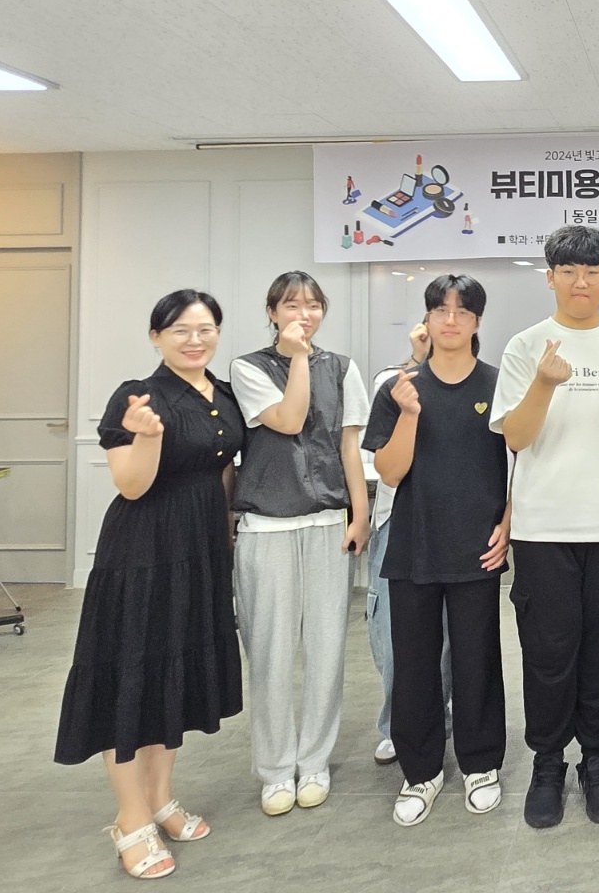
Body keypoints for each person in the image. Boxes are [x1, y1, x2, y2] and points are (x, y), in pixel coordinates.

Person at [56, 290, 243, 881]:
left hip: (201, 548)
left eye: (205, 328)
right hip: (144, 550)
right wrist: (149, 437)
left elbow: (225, 469)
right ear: (156, 336)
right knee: (132, 674)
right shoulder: (138, 396)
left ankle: (160, 798)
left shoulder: (222, 393)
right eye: (180, 329)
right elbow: (132, 485)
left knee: (175, 671)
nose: (194, 339)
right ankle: (130, 816)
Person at [490, 225, 599, 829]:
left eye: (592, 271)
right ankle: (547, 763)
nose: (580, 282)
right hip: (544, 527)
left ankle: (596, 757)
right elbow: (515, 437)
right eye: (568, 271)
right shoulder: (525, 347)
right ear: (551, 277)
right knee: (547, 651)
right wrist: (544, 381)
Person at [365, 275, 511, 827]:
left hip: (478, 548)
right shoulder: (399, 387)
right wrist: (408, 414)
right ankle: (420, 772)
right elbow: (389, 472)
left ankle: (481, 764)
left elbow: (522, 458)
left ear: (477, 321)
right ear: (427, 319)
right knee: (414, 665)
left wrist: (509, 522)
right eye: (441, 310)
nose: (451, 320)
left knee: (478, 660)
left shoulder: (498, 383)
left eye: (462, 311)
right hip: (414, 546)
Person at [230, 272, 371, 817]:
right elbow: (288, 420)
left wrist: (359, 514)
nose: (304, 314)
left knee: (327, 649)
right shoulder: (248, 368)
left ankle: (314, 761)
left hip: (328, 523)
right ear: (272, 312)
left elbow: (349, 446)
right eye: (291, 305)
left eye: (313, 305)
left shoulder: (343, 368)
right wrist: (296, 359)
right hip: (267, 525)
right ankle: (274, 769)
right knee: (269, 651)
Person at [362, 321, 438, 769]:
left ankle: (439, 717)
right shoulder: (394, 384)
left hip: (452, 523)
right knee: (393, 634)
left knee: (446, 638)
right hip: (398, 520)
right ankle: (397, 724)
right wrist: (417, 360)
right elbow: (384, 464)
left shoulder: (480, 384)